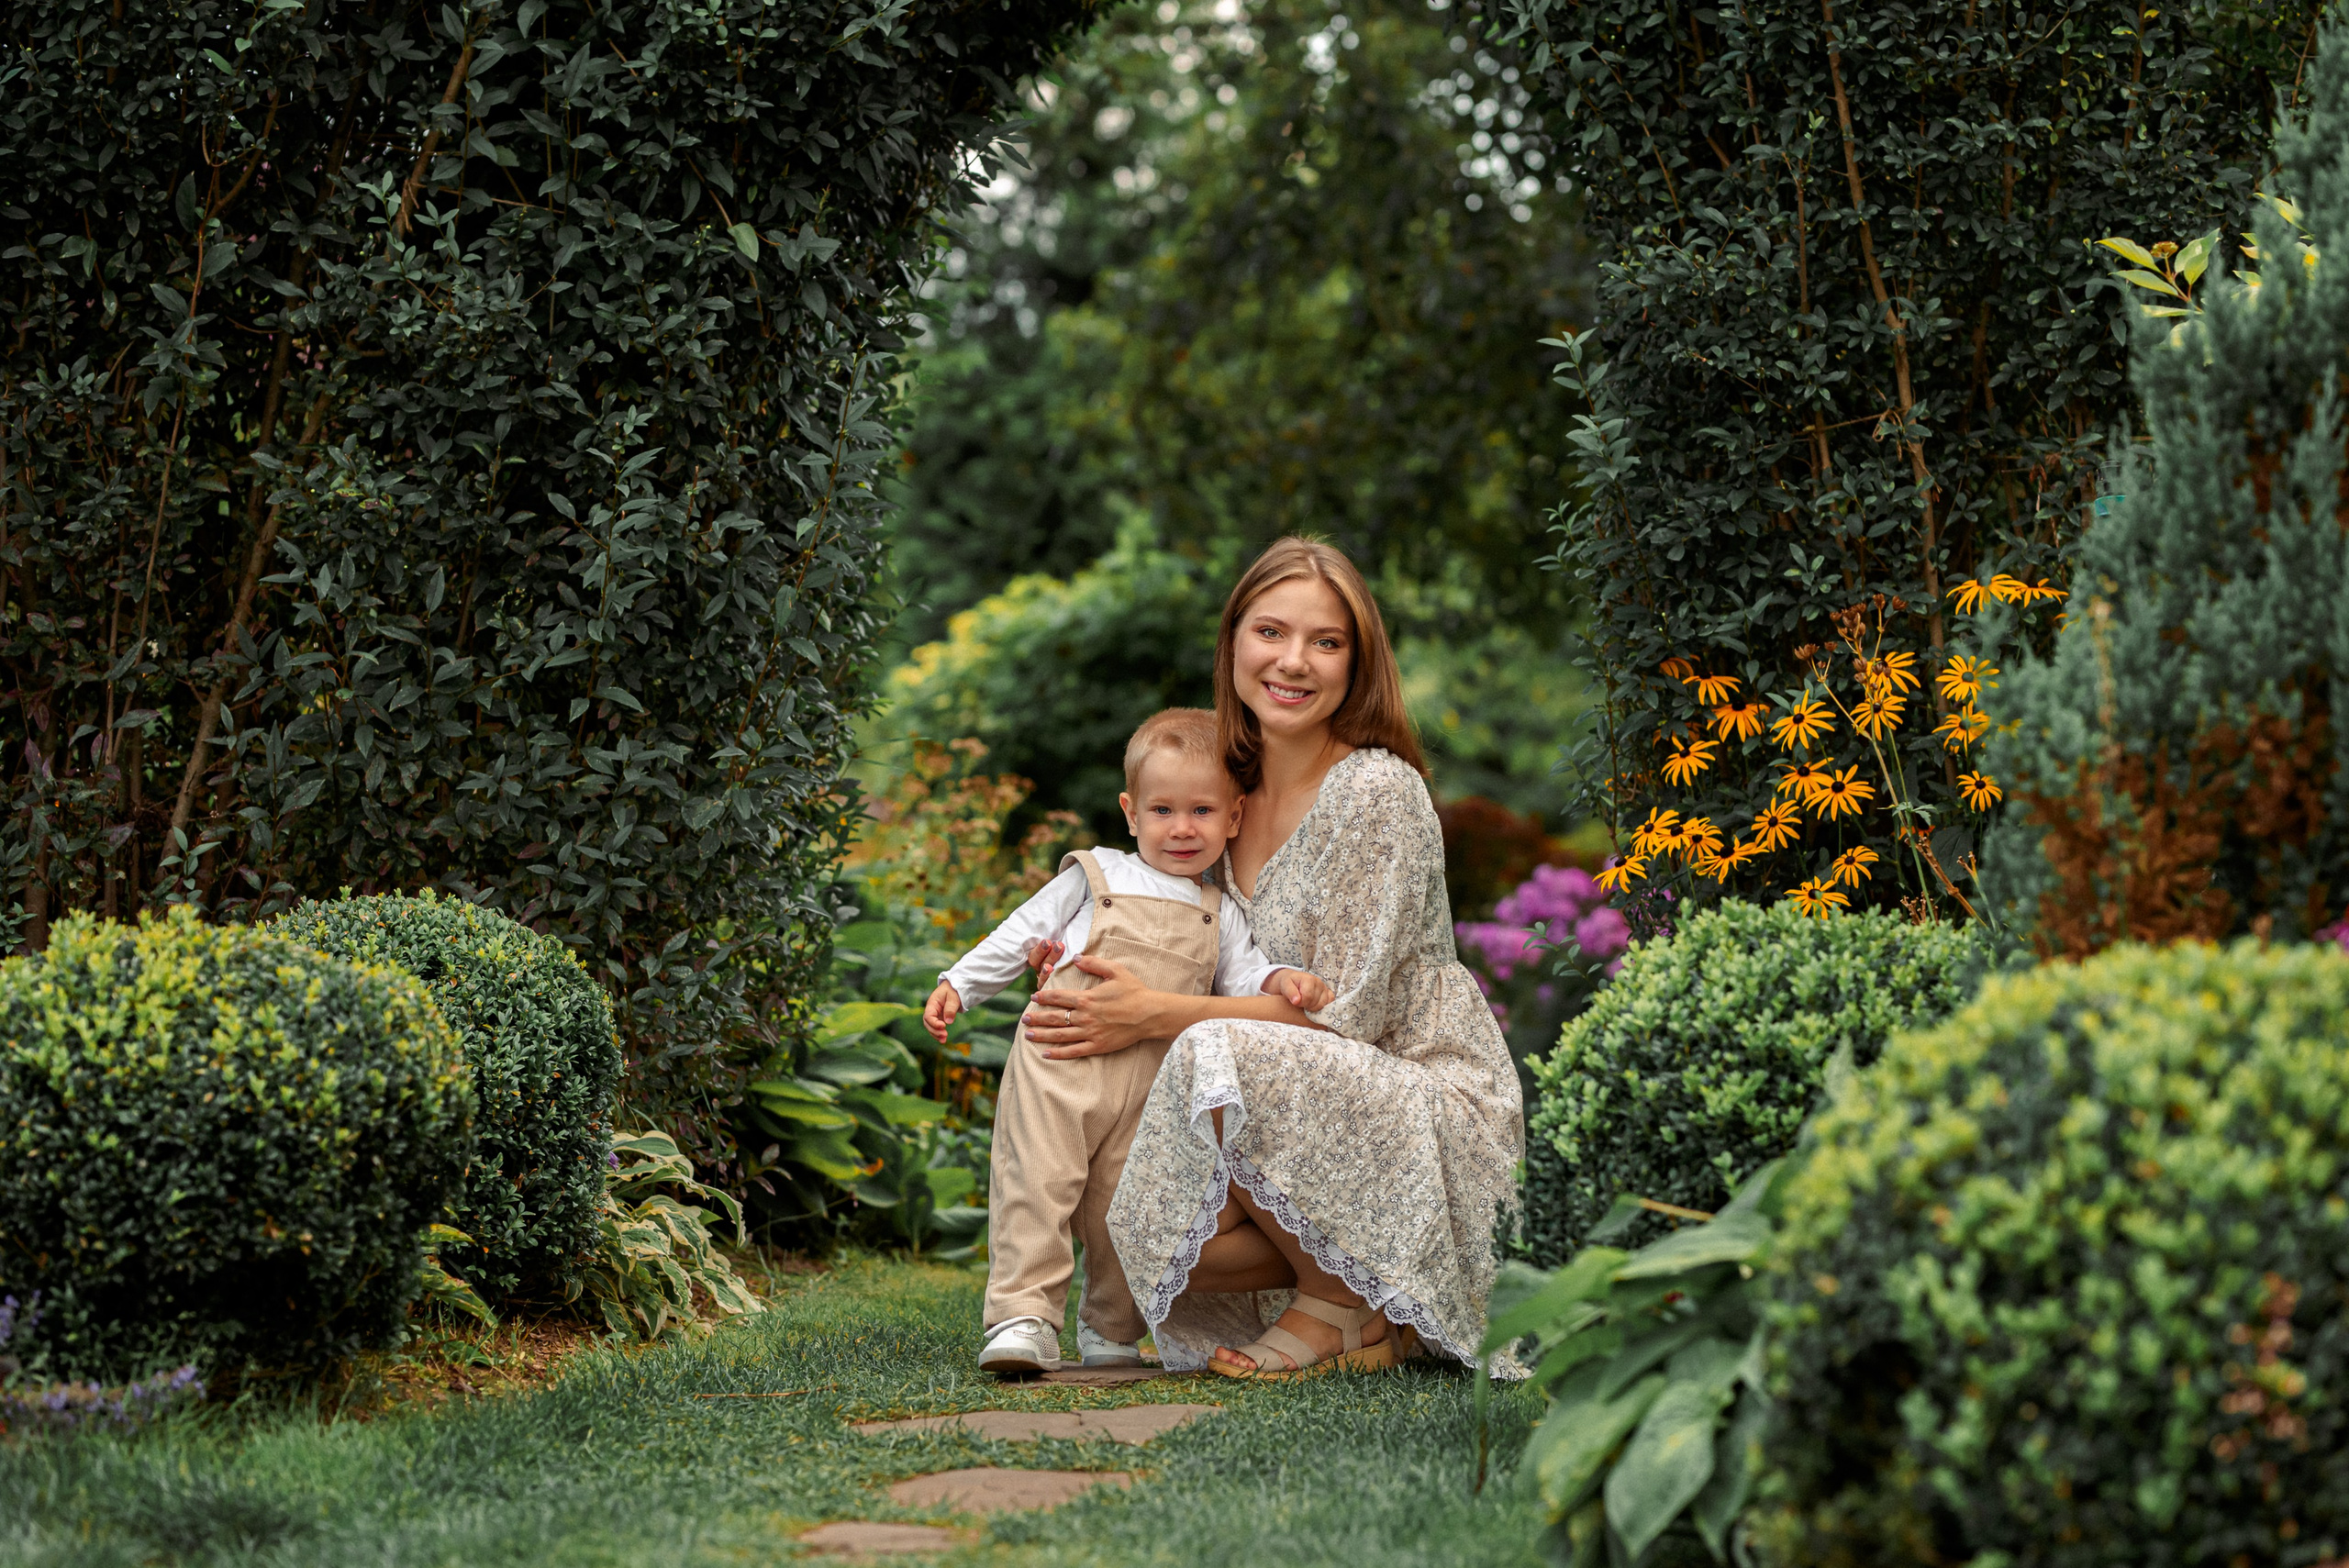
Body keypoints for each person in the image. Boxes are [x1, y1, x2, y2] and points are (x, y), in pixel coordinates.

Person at [1021, 537, 1523, 1378]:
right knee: (1133, 1211)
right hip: (1286, 1104)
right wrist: (1076, 959)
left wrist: (1152, 1012)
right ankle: (1373, 1299)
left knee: (1208, 1050)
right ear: (1233, 644)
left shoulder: (1376, 790)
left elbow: (1346, 1017)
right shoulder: (1218, 792)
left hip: (1424, 1101)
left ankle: (1339, 1305)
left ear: (1357, 665)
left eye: (1326, 642)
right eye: (1271, 632)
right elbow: (1174, 934)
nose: (1294, 661)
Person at [924, 707, 1336, 1375]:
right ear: (1130, 811)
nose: (1181, 827)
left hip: (1152, 1080)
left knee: (1130, 1203)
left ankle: (1111, 1329)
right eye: (1163, 809)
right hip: (1061, 1059)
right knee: (1039, 1181)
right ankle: (1022, 1317)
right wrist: (959, 983)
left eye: (1202, 810)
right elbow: (1020, 930)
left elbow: (1245, 975)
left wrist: (1284, 978)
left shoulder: (1220, 909)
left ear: (1233, 816)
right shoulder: (1095, 875)